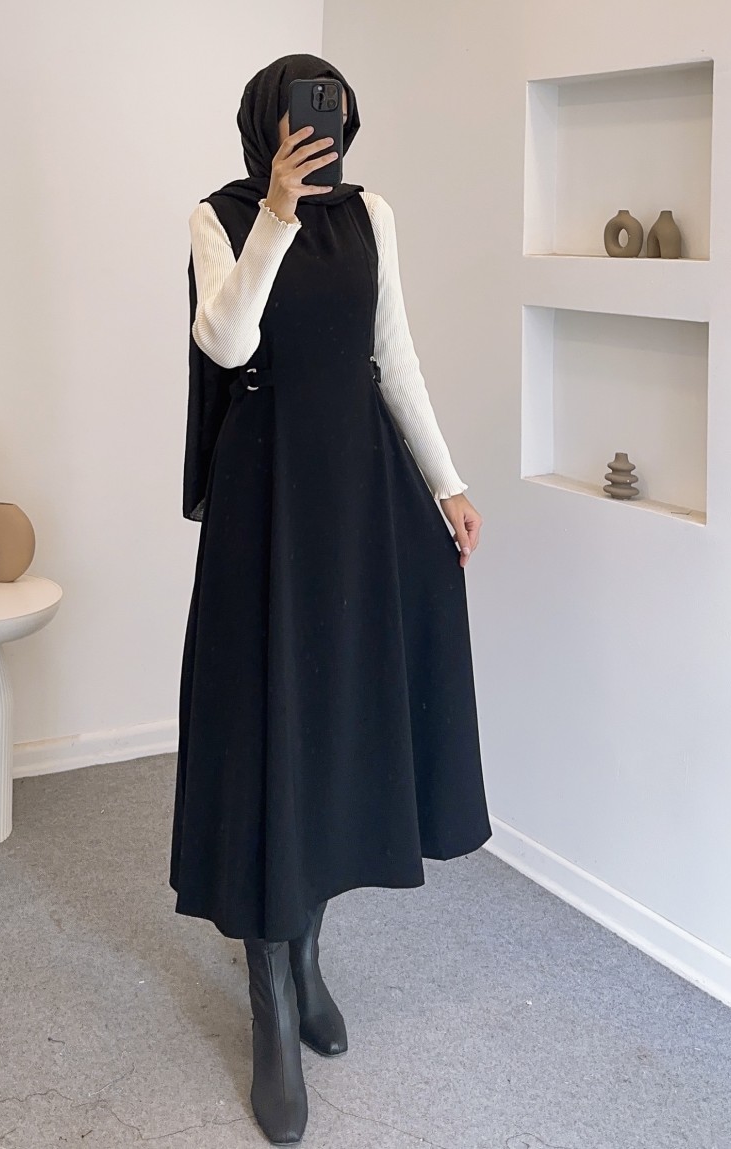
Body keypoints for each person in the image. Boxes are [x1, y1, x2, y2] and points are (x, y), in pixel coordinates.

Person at [170, 53, 492, 1145]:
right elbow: (226, 341)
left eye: (340, 123)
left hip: (357, 488)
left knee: (339, 725)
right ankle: (269, 997)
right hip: (266, 499)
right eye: (309, 120)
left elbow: (391, 353)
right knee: (267, 733)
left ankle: (307, 956)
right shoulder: (217, 216)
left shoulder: (372, 217)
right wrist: (274, 214)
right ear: (268, 124)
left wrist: (445, 482)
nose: (327, 139)